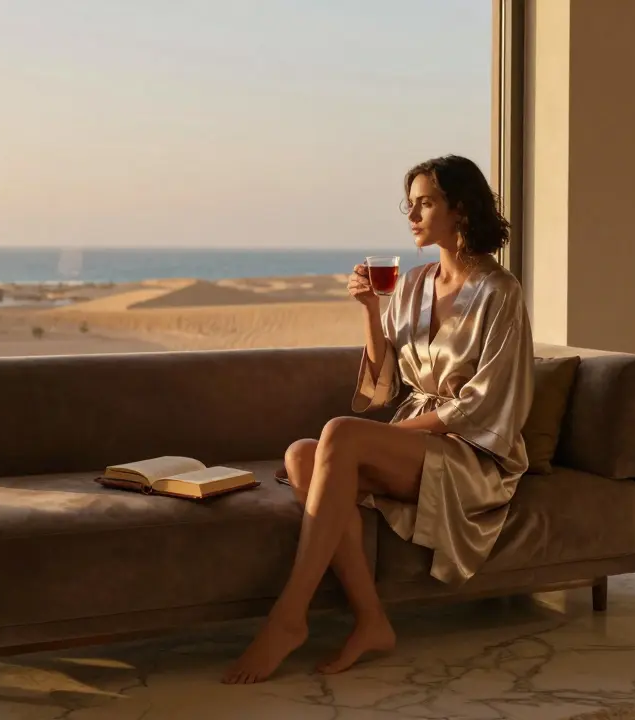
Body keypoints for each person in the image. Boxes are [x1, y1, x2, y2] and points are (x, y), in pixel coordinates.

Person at [222, 155, 535, 684]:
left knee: (338, 437)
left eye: (425, 203)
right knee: (303, 456)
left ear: (459, 209)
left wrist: (385, 436)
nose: (412, 215)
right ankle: (371, 620)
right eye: (408, 204)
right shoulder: (411, 285)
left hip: (472, 453)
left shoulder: (500, 292)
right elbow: (383, 387)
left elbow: (487, 406)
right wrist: (371, 311)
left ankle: (287, 618)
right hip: (415, 440)